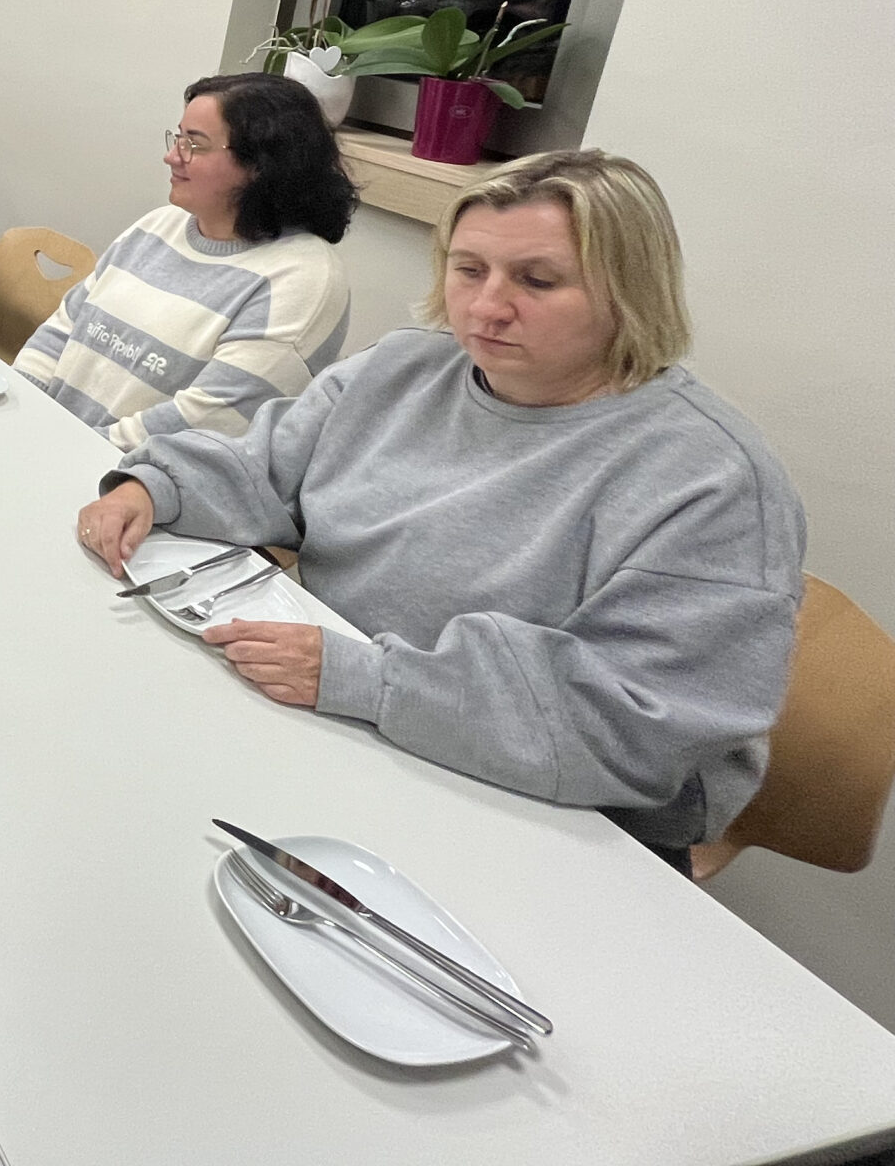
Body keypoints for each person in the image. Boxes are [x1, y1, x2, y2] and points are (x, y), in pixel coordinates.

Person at [75, 150, 804, 859]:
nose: (486, 307)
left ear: (630, 292)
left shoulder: (712, 483)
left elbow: (635, 729)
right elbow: (266, 467)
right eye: (468, 269)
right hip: (339, 715)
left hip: (552, 816)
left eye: (538, 281)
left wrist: (367, 680)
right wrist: (157, 487)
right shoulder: (405, 367)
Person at [16, 73, 353, 445]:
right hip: (47, 444)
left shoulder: (303, 279)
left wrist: (65, 450)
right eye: (178, 138)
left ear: (260, 165)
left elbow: (204, 421)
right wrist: (18, 412)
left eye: (195, 144)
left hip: (122, 473)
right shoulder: (158, 225)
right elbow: (62, 329)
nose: (172, 156)